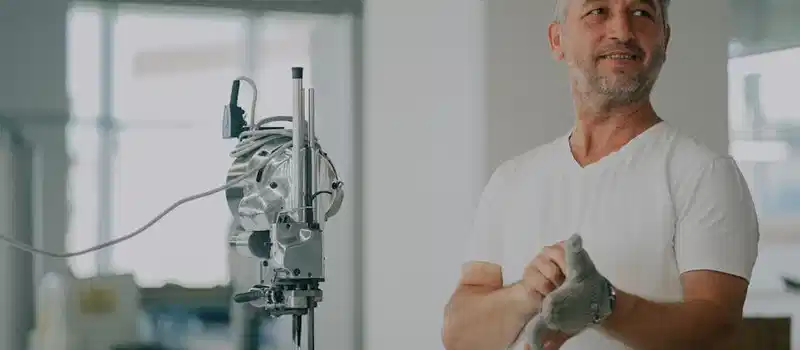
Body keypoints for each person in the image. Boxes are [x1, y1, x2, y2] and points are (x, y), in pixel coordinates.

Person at [441, 0, 760, 349]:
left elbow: (717, 328)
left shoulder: (704, 175)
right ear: (556, 39)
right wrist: (526, 294)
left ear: (664, 39)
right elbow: (460, 336)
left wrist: (605, 305)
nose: (622, 32)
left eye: (642, 13)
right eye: (598, 11)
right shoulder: (510, 181)